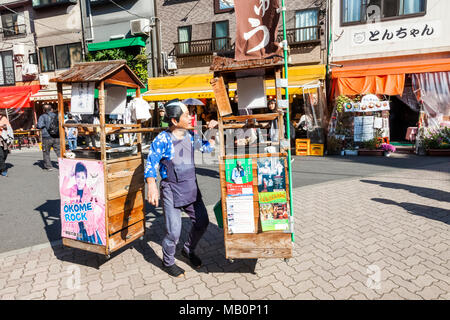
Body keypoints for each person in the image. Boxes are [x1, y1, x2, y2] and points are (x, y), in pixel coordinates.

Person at [145, 99, 218, 278]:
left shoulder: (190, 135)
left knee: (202, 222)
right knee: (174, 232)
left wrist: (214, 132)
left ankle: (188, 250)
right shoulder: (162, 139)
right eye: (186, 115)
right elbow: (150, 163)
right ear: (175, 121)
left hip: (191, 187)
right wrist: (152, 185)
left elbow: (206, 148)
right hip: (171, 190)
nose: (191, 117)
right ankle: (168, 261)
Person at [37, 104, 60, 171]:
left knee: (46, 152)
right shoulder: (56, 116)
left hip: (46, 136)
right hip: (56, 136)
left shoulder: (42, 116)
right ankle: (62, 164)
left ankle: (49, 166)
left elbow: (39, 125)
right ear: (51, 109)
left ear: (43, 110)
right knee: (59, 151)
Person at [0, 110, 13, 177]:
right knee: (1, 155)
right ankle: (3, 170)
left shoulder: (4, 119)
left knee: (5, 154)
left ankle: (1, 165)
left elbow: (9, 128)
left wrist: (5, 127)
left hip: (4, 139)